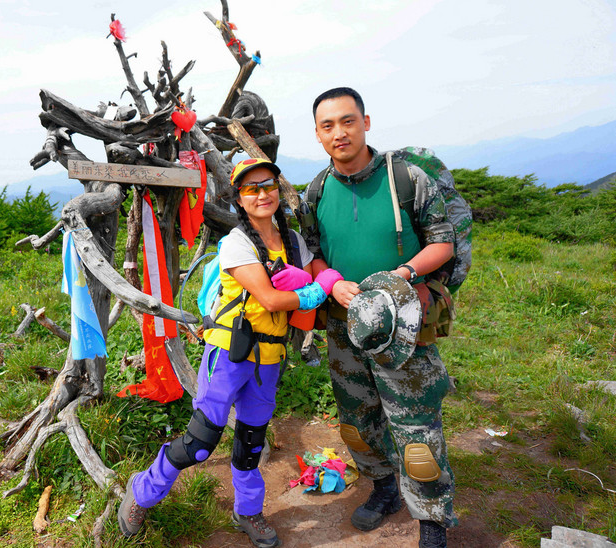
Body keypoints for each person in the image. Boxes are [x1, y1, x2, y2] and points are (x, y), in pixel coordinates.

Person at [118, 158, 343, 548]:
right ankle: (142, 492)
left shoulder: (293, 241)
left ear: (277, 188)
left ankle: (248, 511)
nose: (261, 194)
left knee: (251, 444)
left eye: (268, 185)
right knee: (200, 442)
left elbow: (313, 270)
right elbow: (272, 299)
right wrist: (318, 289)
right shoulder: (236, 243)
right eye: (250, 188)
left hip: (270, 360)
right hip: (228, 355)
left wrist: (323, 276)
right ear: (239, 197)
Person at [302, 87, 458, 548]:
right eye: (327, 126)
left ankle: (431, 520)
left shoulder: (405, 178)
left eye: (347, 121)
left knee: (415, 425)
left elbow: (443, 242)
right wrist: (330, 282)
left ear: (366, 123)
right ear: (317, 134)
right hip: (343, 324)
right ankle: (384, 488)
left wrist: (404, 273)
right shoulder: (316, 190)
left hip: (402, 324)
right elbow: (311, 253)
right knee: (356, 419)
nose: (339, 133)